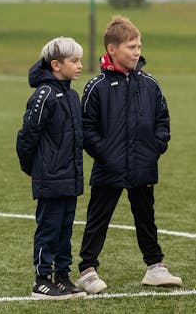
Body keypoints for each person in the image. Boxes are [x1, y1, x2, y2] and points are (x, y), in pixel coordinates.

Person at [75, 16, 182, 294]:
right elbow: (86, 127)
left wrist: (155, 147)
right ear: (112, 49)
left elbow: (162, 120)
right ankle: (87, 269)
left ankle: (155, 267)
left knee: (146, 217)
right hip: (109, 167)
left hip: (143, 165)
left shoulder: (150, 84)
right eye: (131, 47)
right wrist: (105, 153)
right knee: (98, 218)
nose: (138, 52)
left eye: (139, 46)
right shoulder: (96, 86)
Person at [16, 37, 86, 300]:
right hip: (50, 176)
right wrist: (33, 168)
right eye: (74, 61)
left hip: (70, 177)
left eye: (80, 60)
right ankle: (42, 281)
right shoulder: (44, 95)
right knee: (49, 227)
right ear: (56, 65)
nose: (80, 65)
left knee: (65, 228)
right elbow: (27, 136)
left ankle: (63, 277)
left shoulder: (71, 94)